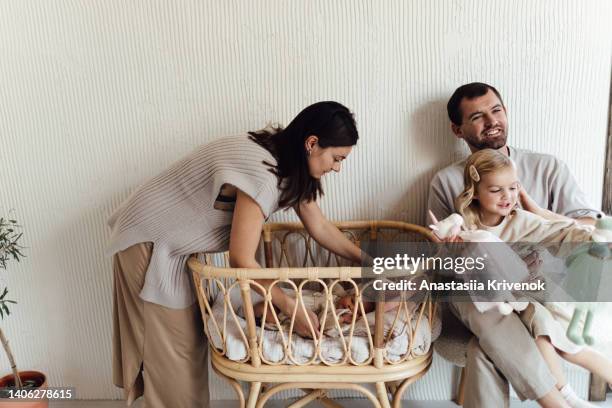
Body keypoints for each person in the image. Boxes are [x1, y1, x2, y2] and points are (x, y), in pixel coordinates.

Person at [108, 101, 366, 407]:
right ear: (312, 144)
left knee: (188, 347)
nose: (337, 168)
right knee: (172, 355)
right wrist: (290, 307)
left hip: (173, 244)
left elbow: (320, 227)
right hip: (149, 239)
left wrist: (368, 260)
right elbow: (242, 260)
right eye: (337, 158)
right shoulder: (263, 174)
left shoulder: (287, 165)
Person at [427, 82, 601, 408]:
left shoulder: (547, 167)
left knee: (485, 348)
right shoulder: (447, 181)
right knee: (489, 306)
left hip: (538, 293)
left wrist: (536, 212)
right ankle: (559, 401)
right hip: (480, 295)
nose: (492, 120)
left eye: (497, 110)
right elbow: (443, 261)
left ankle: (558, 400)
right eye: (477, 116)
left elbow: (587, 229)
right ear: (457, 128)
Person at [448, 148, 612, 408]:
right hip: (475, 302)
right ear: (475, 191)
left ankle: (565, 397)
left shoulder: (524, 221)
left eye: (513, 188)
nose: (507, 197)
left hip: (518, 306)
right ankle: (560, 402)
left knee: (487, 349)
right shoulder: (462, 224)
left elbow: (563, 232)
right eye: (496, 190)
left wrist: (597, 238)